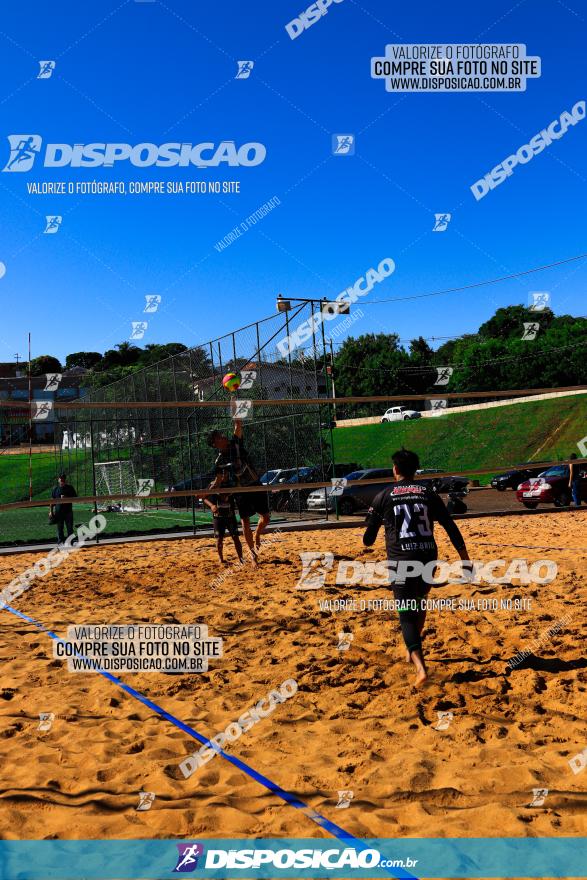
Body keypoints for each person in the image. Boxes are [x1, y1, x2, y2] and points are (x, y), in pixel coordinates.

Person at [362, 448, 470, 688]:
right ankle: (413, 649)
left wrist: (374, 520)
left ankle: (421, 668)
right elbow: (450, 526)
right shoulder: (427, 493)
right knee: (419, 602)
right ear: (414, 470)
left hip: (402, 559)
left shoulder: (384, 495)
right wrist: (465, 559)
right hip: (427, 556)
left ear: (395, 470)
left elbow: (367, 541)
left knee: (406, 615)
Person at [207, 418, 270, 565]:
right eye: (218, 437)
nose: (223, 436)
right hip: (240, 490)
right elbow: (217, 480)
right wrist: (210, 489)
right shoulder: (219, 462)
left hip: (255, 484)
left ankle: (258, 534)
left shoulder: (235, 444)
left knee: (266, 518)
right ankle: (253, 556)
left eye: (221, 434)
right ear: (215, 444)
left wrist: (234, 406)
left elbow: (238, 425)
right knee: (245, 522)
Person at [202, 473, 244, 565]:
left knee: (235, 537)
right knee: (219, 539)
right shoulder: (213, 484)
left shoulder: (232, 483)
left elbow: (240, 490)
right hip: (218, 517)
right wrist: (212, 505)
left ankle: (241, 559)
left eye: (226, 473)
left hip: (230, 516)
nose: (224, 475)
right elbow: (203, 497)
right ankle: (221, 559)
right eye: (222, 473)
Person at [49, 473, 77, 544]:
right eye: (60, 478)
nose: (62, 480)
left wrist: (66, 498)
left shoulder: (70, 488)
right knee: (59, 528)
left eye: (63, 478)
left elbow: (76, 499)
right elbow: (52, 501)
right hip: (58, 512)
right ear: (58, 479)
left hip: (68, 512)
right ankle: (60, 541)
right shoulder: (55, 489)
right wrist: (51, 511)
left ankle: (70, 541)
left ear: (65, 479)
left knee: (69, 528)